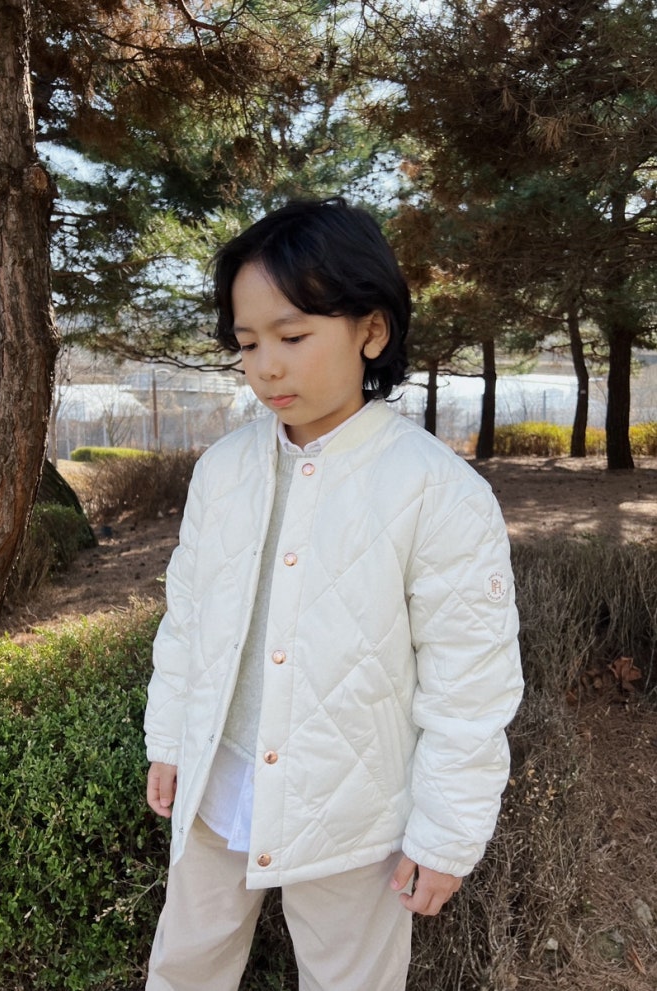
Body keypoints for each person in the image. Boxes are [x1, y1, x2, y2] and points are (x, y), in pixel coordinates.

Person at [144, 197, 523, 991]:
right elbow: (188, 622)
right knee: (185, 965)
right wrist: (170, 738)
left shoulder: (437, 491)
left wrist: (446, 834)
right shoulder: (222, 470)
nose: (266, 366)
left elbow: (468, 684)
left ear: (370, 331)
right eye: (248, 343)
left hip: (354, 809)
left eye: (292, 336)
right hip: (219, 778)